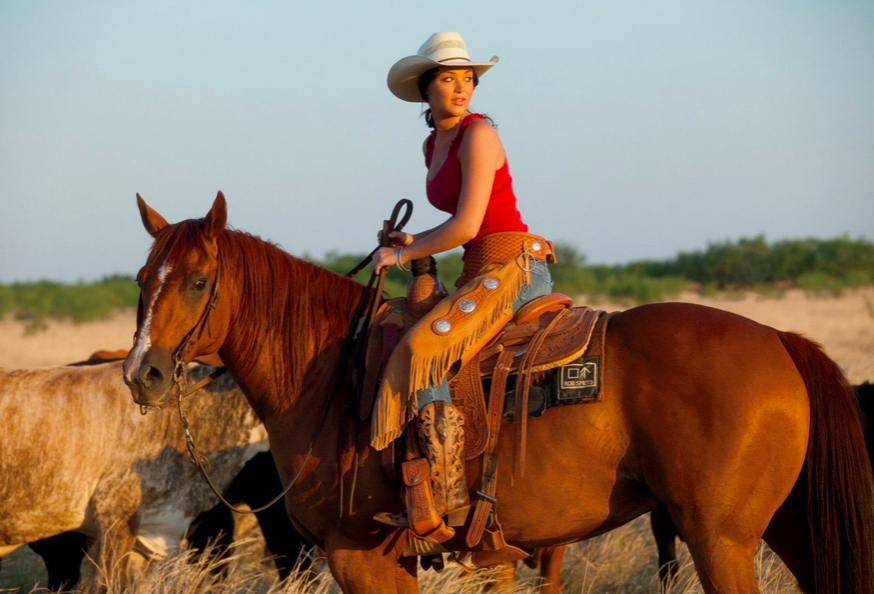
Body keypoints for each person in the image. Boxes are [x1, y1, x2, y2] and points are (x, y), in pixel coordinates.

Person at [370, 32, 556, 542]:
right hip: (477, 269)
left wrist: (402, 254)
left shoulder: (479, 135)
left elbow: (470, 225)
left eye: (467, 79)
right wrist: (411, 239)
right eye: (448, 79)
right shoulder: (433, 142)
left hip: (512, 264)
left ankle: (447, 501)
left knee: (424, 347)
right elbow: (457, 225)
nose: (461, 88)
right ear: (425, 91)